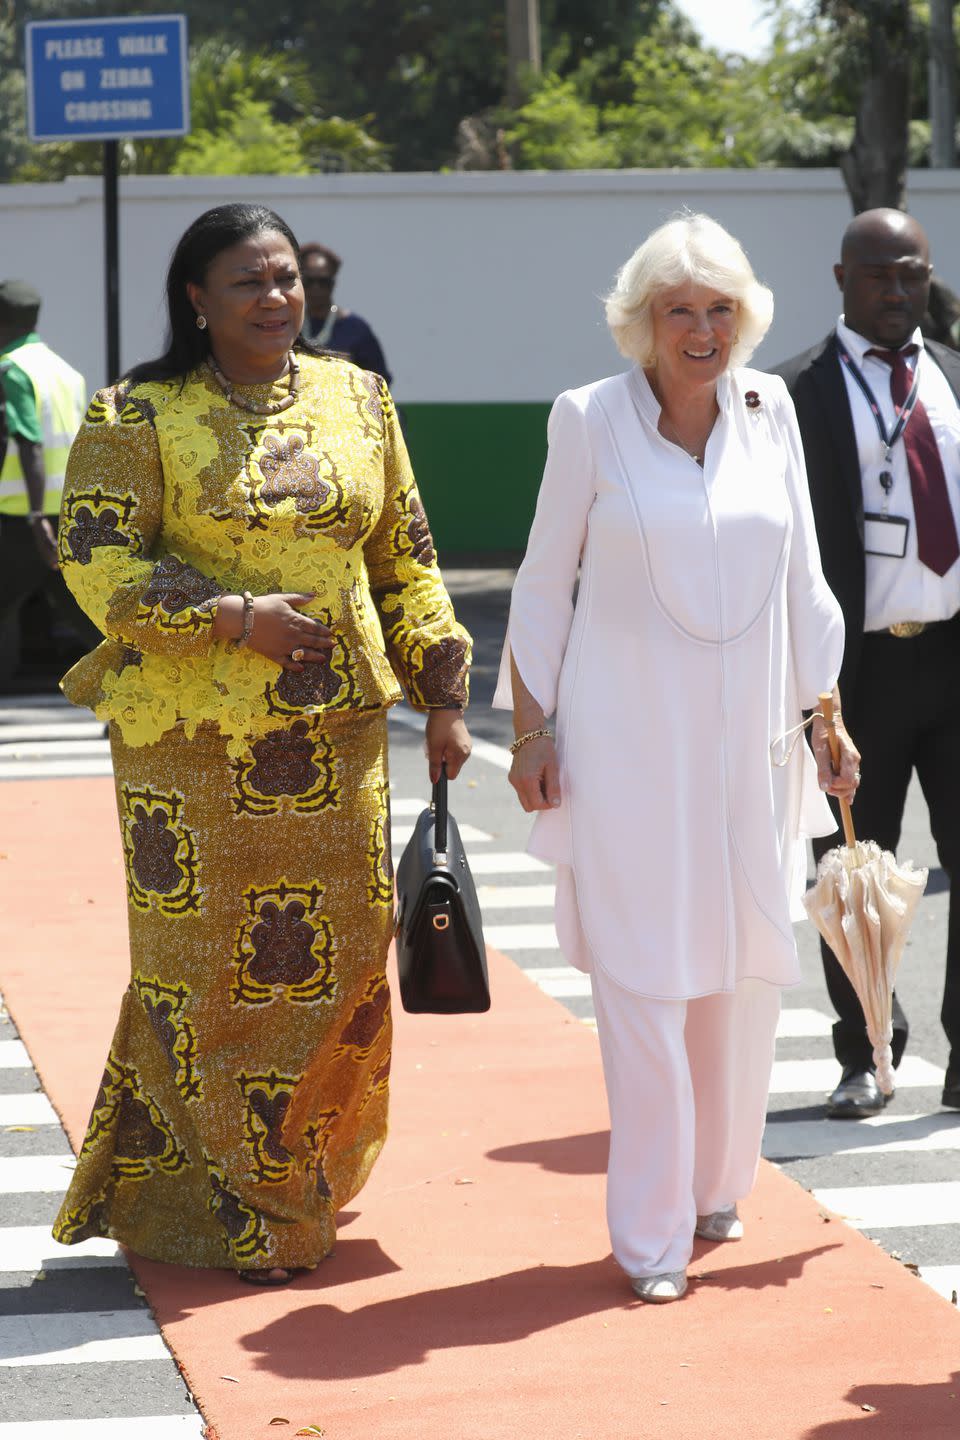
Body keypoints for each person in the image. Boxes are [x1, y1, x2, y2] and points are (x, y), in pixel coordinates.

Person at [51, 203, 472, 1283]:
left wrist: (443, 688)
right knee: (204, 979)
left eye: (285, 277)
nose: (275, 298)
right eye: (247, 281)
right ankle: (253, 1202)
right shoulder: (135, 413)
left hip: (337, 743)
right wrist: (234, 616)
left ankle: (295, 1168)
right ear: (196, 298)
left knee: (334, 966)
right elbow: (97, 562)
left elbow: (406, 556)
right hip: (188, 751)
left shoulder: (360, 399)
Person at [494, 214, 859, 1304]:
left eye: (721, 311)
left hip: (751, 739)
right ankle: (650, 1234)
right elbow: (538, 582)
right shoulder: (589, 421)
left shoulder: (770, 407)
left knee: (741, 975)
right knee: (645, 981)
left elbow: (803, 572)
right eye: (679, 311)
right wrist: (530, 729)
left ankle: (716, 1186)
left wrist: (827, 713)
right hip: (625, 743)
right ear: (640, 325)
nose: (703, 332)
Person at [775, 209, 960, 1119]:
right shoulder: (789, 393)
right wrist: (810, 694)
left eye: (912, 275)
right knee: (848, 870)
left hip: (954, 659)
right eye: (880, 274)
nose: (896, 291)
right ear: (841, 276)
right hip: (851, 677)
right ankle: (865, 1051)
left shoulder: (955, 379)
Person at [0, 280, 92, 683]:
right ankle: (127, 698)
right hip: (67, 513)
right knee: (81, 612)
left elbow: (28, 442)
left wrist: (36, 514)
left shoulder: (11, 370)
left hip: (22, 517)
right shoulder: (64, 372)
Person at [300, 243, 392, 382]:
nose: (316, 288)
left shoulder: (355, 328)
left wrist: (350, 370)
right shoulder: (288, 326)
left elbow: (382, 380)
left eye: (323, 281)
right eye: (309, 281)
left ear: (333, 283)